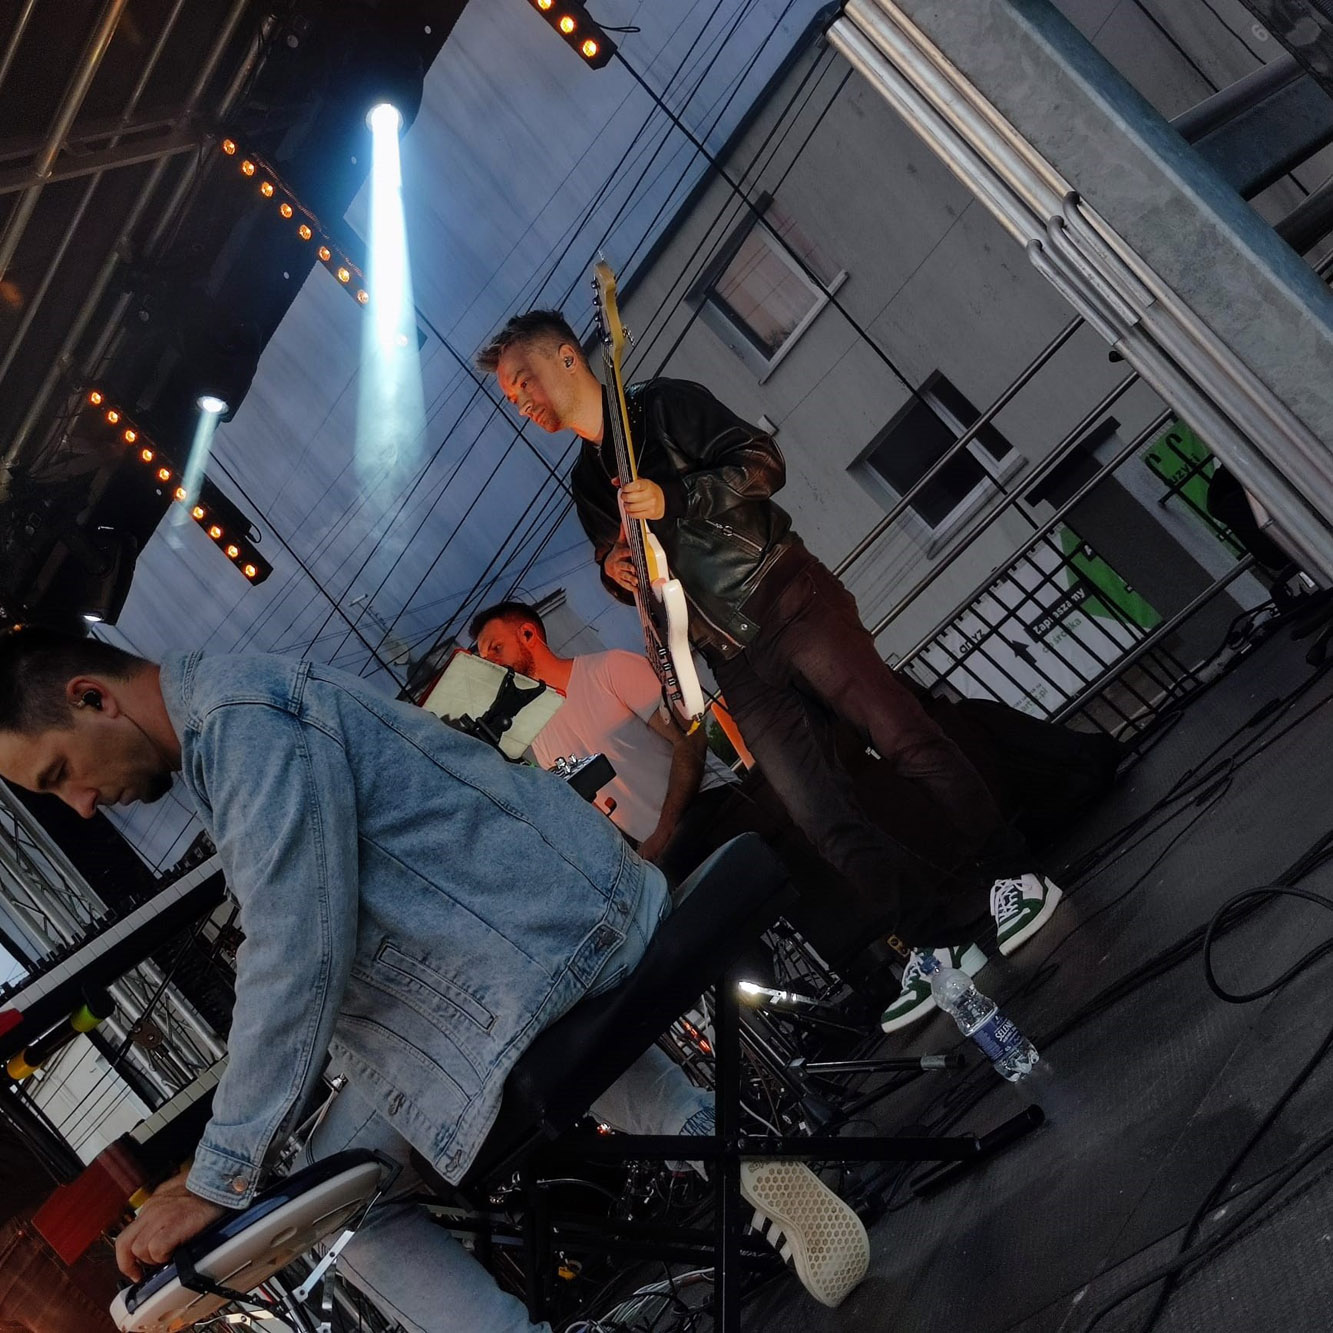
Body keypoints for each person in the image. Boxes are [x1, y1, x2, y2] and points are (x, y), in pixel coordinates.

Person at [0, 628, 868, 1330]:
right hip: (545, 936)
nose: (79, 803)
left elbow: (295, 950)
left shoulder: (240, 729)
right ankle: (739, 1154)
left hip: (532, 959)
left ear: (92, 697)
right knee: (474, 1052)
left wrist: (219, 1177)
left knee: (333, 1202)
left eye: (59, 774)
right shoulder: (237, 711)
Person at [476, 312, 1063, 1033]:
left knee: (903, 737)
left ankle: (1014, 875)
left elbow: (762, 462)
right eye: (510, 394)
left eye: (523, 380)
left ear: (568, 358)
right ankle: (934, 942)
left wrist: (676, 497)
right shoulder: (586, 481)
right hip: (729, 653)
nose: (520, 399)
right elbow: (628, 564)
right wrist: (614, 571)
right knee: (818, 813)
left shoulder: (661, 407)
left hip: (786, 596)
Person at [470, 599, 734, 882]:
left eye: (496, 648)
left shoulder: (609, 668)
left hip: (710, 805)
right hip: (659, 851)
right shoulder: (539, 736)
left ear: (528, 634)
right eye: (485, 659)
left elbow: (691, 741)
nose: (492, 663)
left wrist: (663, 831)